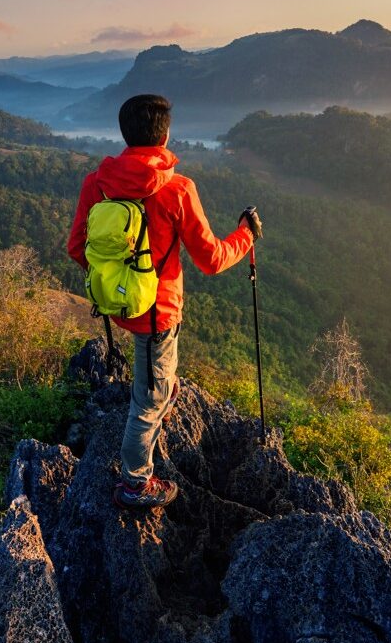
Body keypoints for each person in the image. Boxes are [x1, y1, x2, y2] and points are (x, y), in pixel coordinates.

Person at [67, 94, 262, 511]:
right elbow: (210, 259)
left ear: (124, 134)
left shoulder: (97, 183)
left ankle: (162, 391)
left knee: (156, 377)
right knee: (147, 401)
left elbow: (77, 247)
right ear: (165, 135)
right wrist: (245, 237)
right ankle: (135, 484)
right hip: (159, 313)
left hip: (120, 306)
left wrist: (116, 280)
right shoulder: (178, 189)